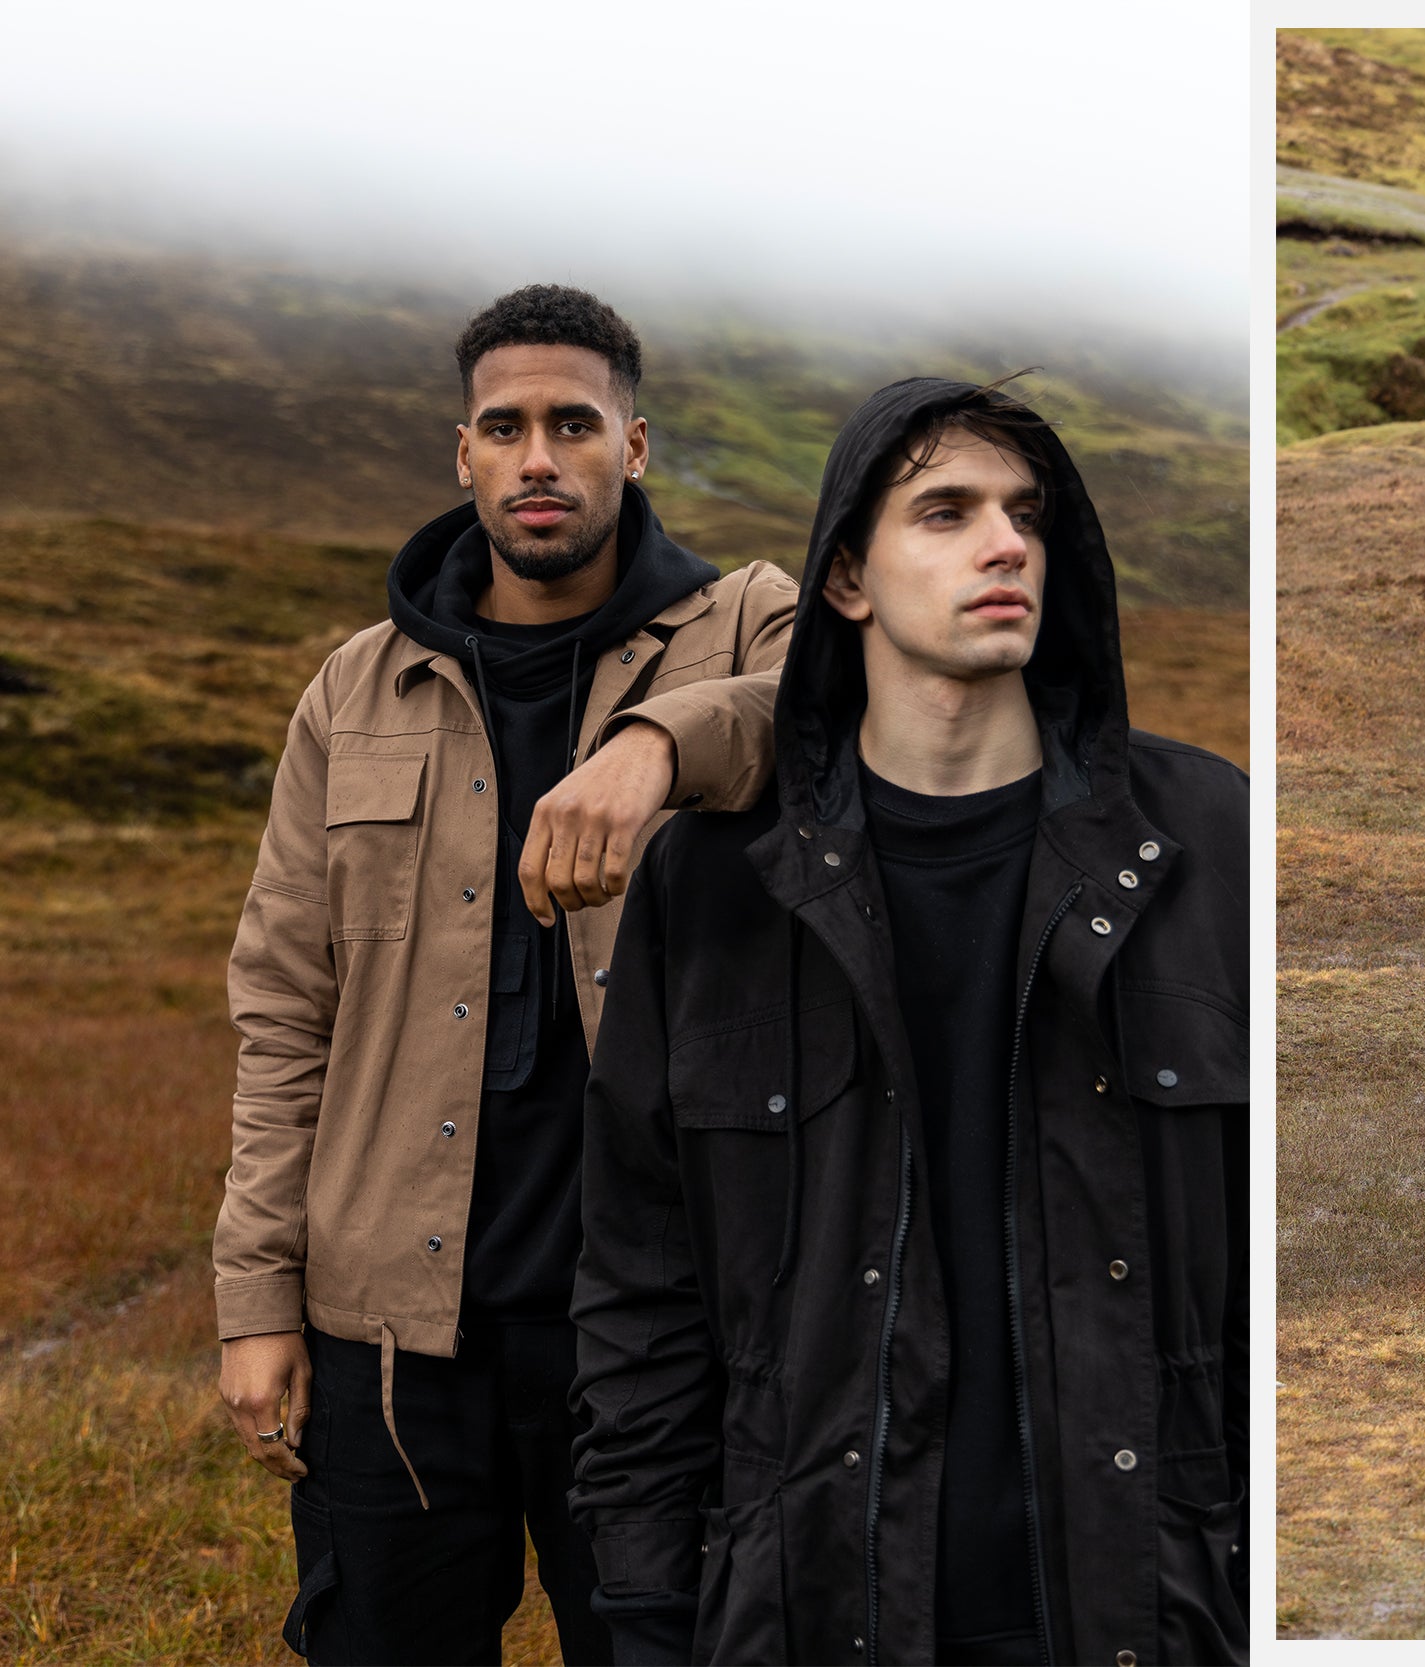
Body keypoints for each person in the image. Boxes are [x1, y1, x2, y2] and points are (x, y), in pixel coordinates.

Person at [569, 376, 1250, 1666]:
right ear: (845, 581)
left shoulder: (1206, 839)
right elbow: (642, 1283)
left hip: (1148, 1603)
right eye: (945, 511)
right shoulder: (718, 884)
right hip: (814, 1602)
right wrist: (650, 1609)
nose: (1006, 544)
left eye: (1027, 514)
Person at [213, 283, 798, 1664]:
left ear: (634, 446)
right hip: (392, 1340)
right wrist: (255, 1299)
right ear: (461, 453)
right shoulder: (353, 689)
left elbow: (833, 711)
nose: (541, 454)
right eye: (507, 425)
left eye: (574, 422)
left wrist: (657, 742)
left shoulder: (745, 623)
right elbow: (283, 1009)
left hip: (666, 1329)